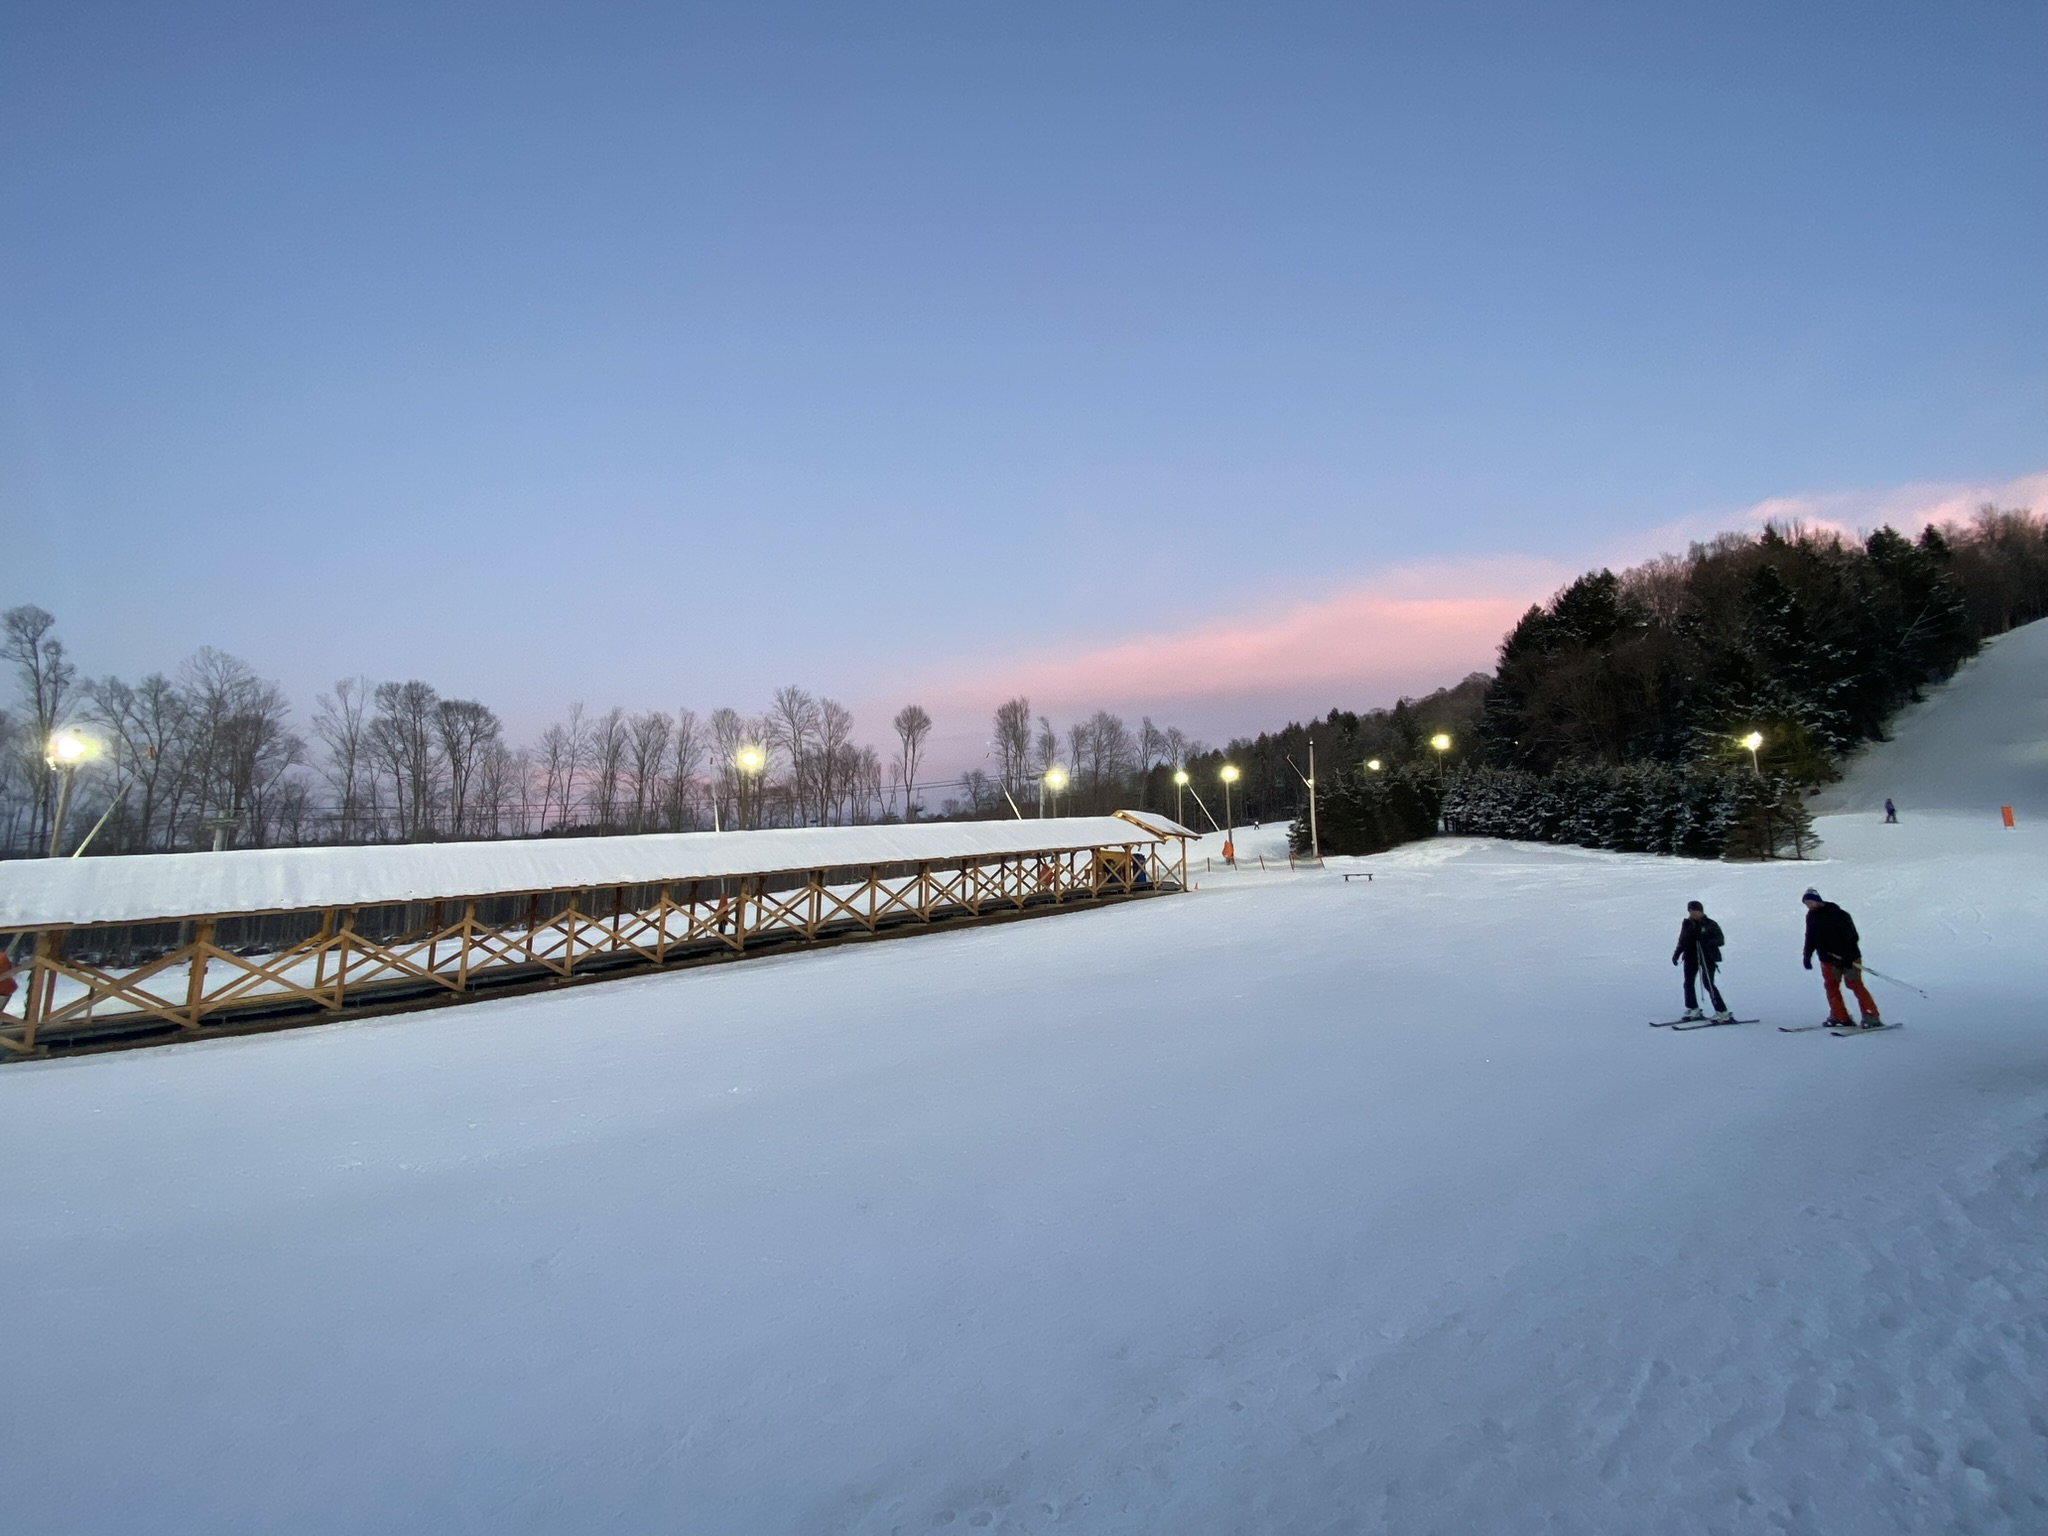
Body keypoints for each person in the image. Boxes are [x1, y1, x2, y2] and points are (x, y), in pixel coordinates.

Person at [1801, 888, 1881, 1027]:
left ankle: (1871, 1016)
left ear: (1818, 901)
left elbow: (1852, 937)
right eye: (1806, 903)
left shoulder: (1839, 914)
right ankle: (1840, 1017)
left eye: (1810, 902)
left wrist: (1847, 956)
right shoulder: (1811, 916)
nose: (1808, 905)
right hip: (1827, 960)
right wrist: (1807, 956)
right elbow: (1810, 937)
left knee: (1854, 984)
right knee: (1831, 987)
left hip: (1848, 958)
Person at [1671, 901, 1732, 1021]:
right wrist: (1677, 954)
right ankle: (1693, 1008)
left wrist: (1706, 940)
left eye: (1694, 911)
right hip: (1691, 956)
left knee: (1708, 983)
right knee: (1688, 983)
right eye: (1690, 911)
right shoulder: (1687, 924)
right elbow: (1682, 940)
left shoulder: (1710, 924)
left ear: (1700, 911)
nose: (1692, 913)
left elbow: (1721, 940)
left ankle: (1722, 1011)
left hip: (1707, 957)